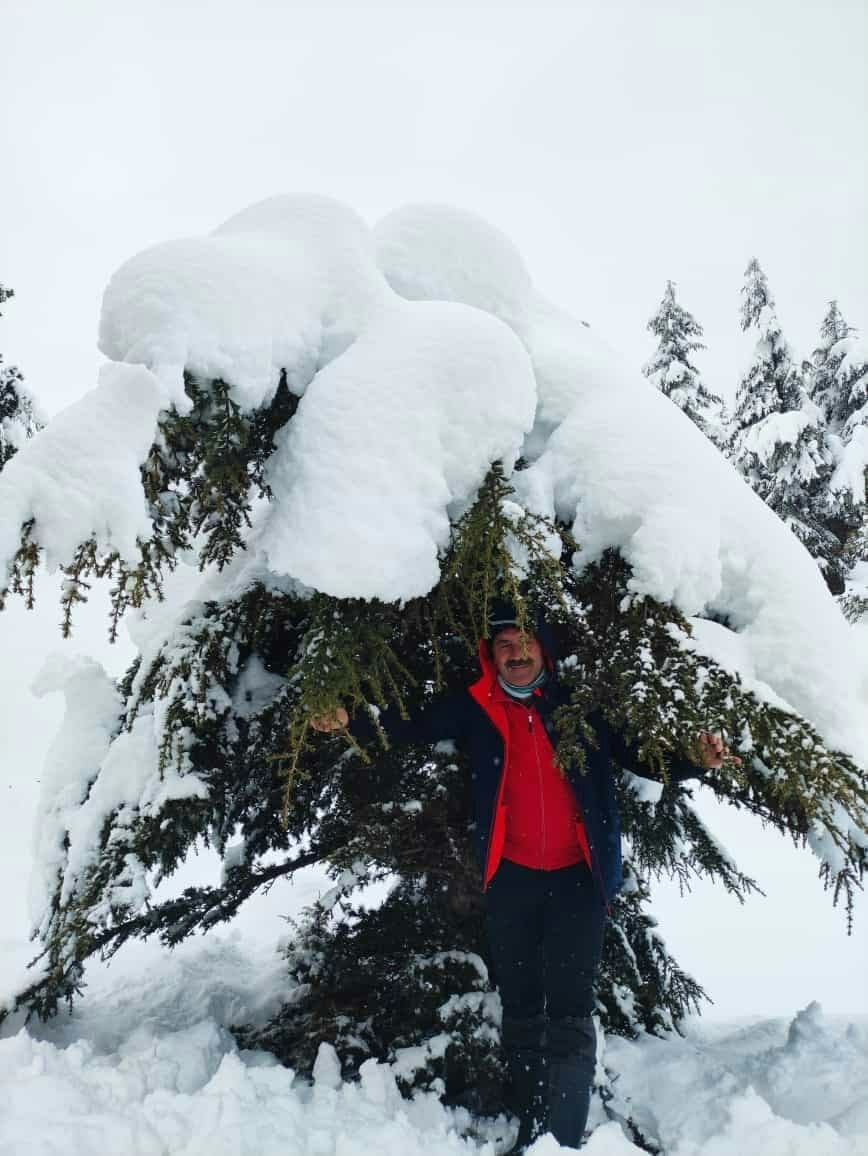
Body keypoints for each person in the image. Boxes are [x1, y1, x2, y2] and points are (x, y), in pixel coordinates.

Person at [312, 602, 735, 1150]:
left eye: (526, 642)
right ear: (492, 655)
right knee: (520, 1003)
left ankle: (563, 1137)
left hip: (578, 880)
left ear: (545, 650)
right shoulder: (475, 708)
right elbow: (408, 726)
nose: (516, 653)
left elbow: (642, 757)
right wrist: (349, 719)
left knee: (569, 1006)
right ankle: (535, 1127)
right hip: (511, 879)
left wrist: (694, 758)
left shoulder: (579, 707)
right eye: (505, 645)